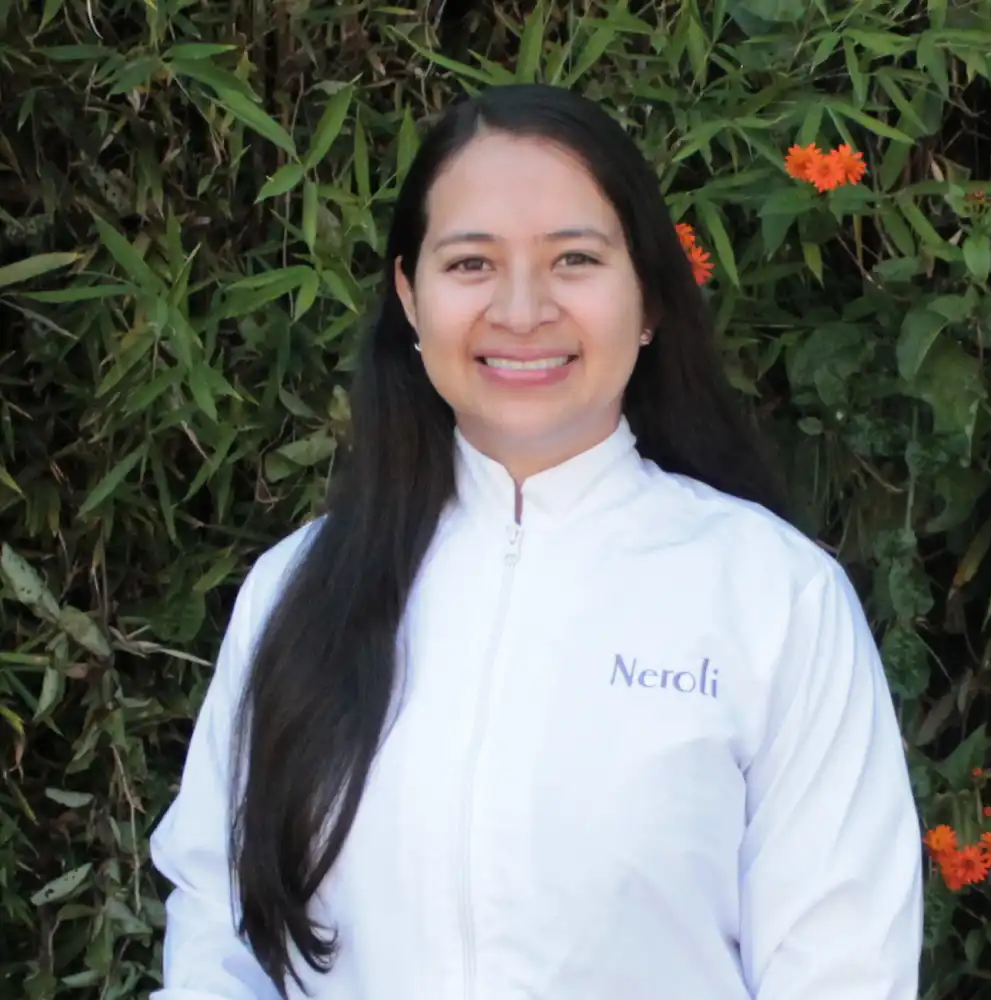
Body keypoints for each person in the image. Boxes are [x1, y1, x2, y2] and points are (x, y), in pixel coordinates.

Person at [149, 83, 923, 1000]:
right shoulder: (297, 590)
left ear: (648, 302)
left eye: (575, 260)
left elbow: (842, 971)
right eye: (471, 264)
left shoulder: (774, 598)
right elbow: (219, 940)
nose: (521, 311)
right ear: (409, 294)